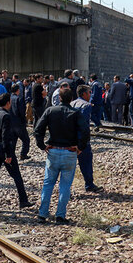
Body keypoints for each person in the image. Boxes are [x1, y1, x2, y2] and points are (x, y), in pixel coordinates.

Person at [34, 87, 89, 224]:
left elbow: (38, 129)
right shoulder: (76, 113)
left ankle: (42, 214)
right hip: (70, 152)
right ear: (71, 99)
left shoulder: (50, 111)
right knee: (65, 185)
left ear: (59, 98)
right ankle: (60, 216)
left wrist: (42, 145)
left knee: (48, 184)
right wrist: (80, 147)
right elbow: (86, 131)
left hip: (53, 151)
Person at [0, 93, 32, 210]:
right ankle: (23, 200)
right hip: (4, 148)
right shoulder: (6, 116)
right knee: (16, 176)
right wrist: (8, 154)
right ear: (8, 103)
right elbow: (5, 136)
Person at [71, 85, 103, 193]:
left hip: (70, 138)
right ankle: (89, 184)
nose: (91, 95)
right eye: (89, 92)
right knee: (86, 163)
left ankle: (67, 189)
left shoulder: (71, 103)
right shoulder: (86, 105)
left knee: (69, 165)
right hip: (81, 140)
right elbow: (84, 125)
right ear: (84, 94)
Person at [10, 83, 30, 160]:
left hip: (11, 122)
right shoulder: (19, 99)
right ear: (18, 90)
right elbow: (21, 111)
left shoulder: (9, 98)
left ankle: (11, 155)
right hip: (19, 122)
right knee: (26, 140)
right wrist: (24, 120)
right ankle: (23, 154)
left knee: (13, 141)